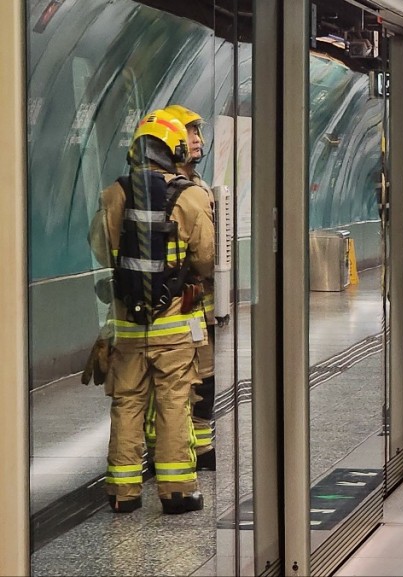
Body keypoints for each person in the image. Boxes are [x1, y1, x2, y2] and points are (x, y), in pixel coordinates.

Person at [90, 109, 214, 514]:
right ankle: (176, 492)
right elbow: (208, 260)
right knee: (174, 401)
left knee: (126, 402)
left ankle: (122, 493)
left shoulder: (113, 195)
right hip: (174, 325)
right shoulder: (192, 196)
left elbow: (98, 249)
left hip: (127, 326)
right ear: (174, 147)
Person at [154, 104, 217, 471]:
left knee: (203, 380)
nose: (197, 140)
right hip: (181, 305)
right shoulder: (180, 191)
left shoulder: (198, 185)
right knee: (183, 383)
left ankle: (201, 446)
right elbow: (206, 256)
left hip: (200, 306)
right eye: (190, 132)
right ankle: (181, 453)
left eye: (198, 132)